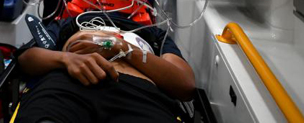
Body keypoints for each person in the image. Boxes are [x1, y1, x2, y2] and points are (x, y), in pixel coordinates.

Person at [14, 12, 196, 123]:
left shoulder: (153, 33)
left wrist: (120, 47)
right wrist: (65, 59)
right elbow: (25, 59)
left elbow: (185, 86)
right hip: (69, 81)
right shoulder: (74, 22)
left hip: (137, 93)